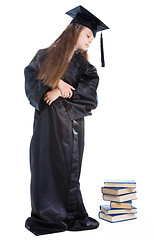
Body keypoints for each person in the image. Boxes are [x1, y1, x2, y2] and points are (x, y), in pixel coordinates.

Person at [24, 5, 109, 236]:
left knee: (66, 170)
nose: (91, 40)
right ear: (76, 29)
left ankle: (68, 216)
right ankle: (44, 216)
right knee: (42, 168)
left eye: (93, 36)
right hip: (44, 125)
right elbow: (31, 78)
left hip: (68, 127)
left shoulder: (85, 67)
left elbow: (89, 95)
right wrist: (56, 83)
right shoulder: (44, 55)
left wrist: (60, 92)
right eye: (88, 34)